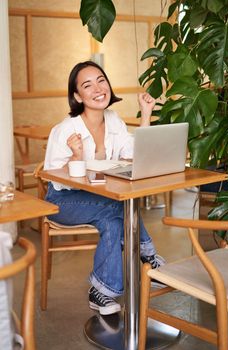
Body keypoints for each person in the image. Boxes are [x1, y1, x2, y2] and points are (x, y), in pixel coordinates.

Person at [44, 60, 165, 316]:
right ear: (77, 96)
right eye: (87, 85)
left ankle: (102, 292)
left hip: (99, 199)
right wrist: (76, 156)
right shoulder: (65, 129)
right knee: (117, 204)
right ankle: (149, 257)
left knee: (112, 220)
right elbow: (54, 178)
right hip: (62, 202)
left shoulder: (113, 120)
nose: (98, 88)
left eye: (101, 80)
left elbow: (133, 155)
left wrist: (145, 113)